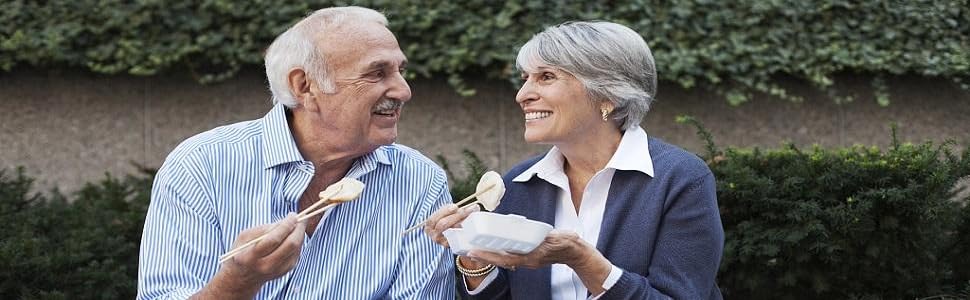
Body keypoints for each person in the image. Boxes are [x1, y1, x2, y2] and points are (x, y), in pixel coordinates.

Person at [137, 7, 454, 299]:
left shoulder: (421, 182)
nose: (404, 90)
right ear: (305, 86)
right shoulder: (202, 165)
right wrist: (239, 281)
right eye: (377, 73)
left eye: (400, 70)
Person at [424, 21, 724, 299]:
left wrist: (581, 259)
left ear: (608, 95)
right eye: (525, 78)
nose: (522, 94)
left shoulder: (681, 179)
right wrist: (473, 257)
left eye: (546, 77)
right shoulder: (518, 184)